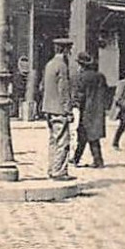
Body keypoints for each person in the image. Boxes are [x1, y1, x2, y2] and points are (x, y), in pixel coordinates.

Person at [41, 37, 75, 180]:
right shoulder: (62, 66)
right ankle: (59, 172)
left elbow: (43, 86)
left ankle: (52, 168)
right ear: (65, 50)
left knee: (53, 141)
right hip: (59, 110)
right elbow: (64, 90)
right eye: (69, 50)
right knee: (63, 142)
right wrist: (68, 111)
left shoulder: (49, 64)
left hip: (48, 108)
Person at [71, 52, 111, 169]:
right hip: (98, 110)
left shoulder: (81, 77)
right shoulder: (100, 76)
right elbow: (107, 93)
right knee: (93, 137)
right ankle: (96, 160)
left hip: (87, 110)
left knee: (83, 135)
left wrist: (75, 105)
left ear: (81, 65)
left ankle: (78, 159)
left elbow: (80, 95)